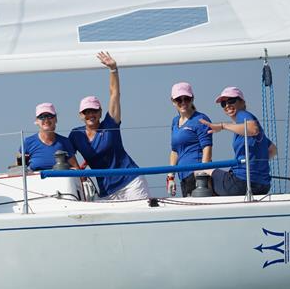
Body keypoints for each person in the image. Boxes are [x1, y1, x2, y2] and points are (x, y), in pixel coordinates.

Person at [68, 51, 150, 200]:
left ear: (100, 112)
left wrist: (113, 69)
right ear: (81, 115)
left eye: (94, 111)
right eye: (86, 112)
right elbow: (64, 153)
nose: (90, 115)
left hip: (131, 182)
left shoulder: (110, 123)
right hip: (106, 191)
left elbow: (114, 94)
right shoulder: (75, 135)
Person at [199, 87, 277, 196]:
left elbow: (253, 129)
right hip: (263, 185)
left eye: (231, 101)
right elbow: (273, 149)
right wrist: (256, 164)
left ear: (242, 102)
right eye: (223, 103)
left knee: (204, 169)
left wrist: (222, 126)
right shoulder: (250, 130)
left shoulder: (242, 115)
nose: (227, 105)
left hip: (241, 184)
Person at [167, 82, 212, 197]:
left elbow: (207, 149)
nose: (183, 103)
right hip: (183, 176)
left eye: (186, 99)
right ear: (173, 101)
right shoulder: (174, 121)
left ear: (192, 99)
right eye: (179, 100)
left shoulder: (201, 119)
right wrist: (170, 176)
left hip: (196, 174)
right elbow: (175, 151)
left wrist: (202, 175)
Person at [20, 103, 80, 171]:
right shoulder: (28, 142)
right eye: (42, 117)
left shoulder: (65, 142)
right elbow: (18, 169)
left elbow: (76, 169)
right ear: (36, 121)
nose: (46, 120)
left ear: (56, 119)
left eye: (50, 116)